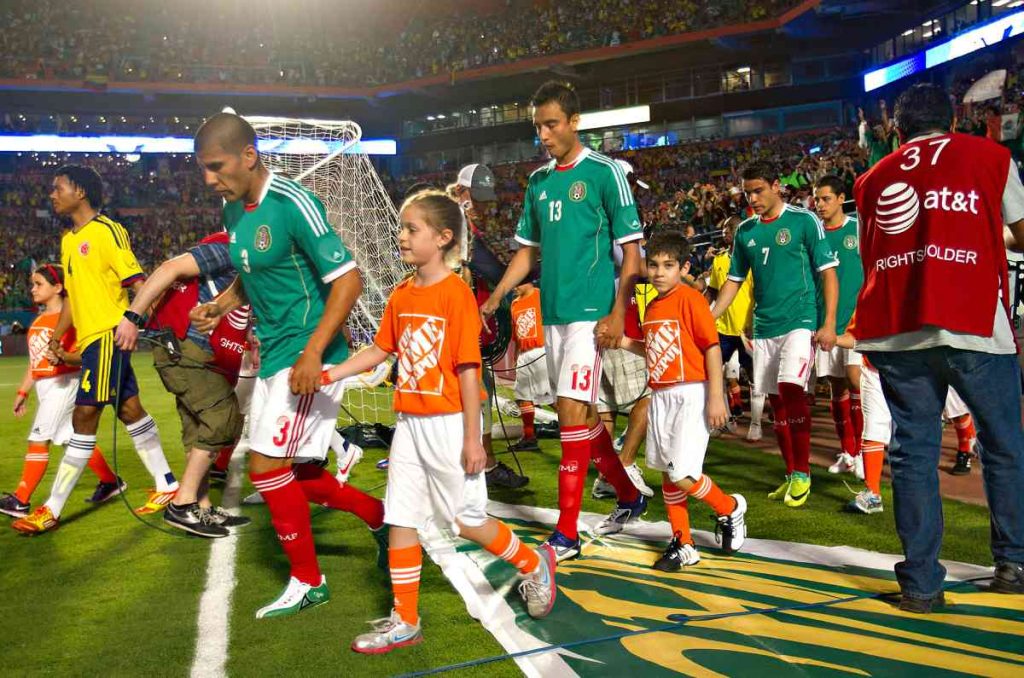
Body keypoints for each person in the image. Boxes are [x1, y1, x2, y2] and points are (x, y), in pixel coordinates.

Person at [322, 190, 556, 654]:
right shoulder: (402, 292)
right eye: (403, 227)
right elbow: (380, 350)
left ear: (444, 237)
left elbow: (469, 370)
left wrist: (475, 440)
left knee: (467, 522)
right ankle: (405, 619)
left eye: (413, 229)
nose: (402, 236)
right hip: (408, 423)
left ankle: (533, 564)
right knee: (402, 517)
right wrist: (332, 372)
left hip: (450, 425)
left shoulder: (456, 295)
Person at [189, 113, 385, 618]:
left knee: (265, 468)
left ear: (248, 156)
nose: (209, 179)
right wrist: (223, 303)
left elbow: (349, 281)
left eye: (216, 166)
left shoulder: (295, 203)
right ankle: (379, 516)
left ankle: (308, 580)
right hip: (275, 352)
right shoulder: (235, 211)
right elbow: (252, 272)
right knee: (291, 473)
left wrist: (314, 352)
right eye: (203, 169)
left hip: (306, 355)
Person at [852, 83, 1024, 610]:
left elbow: (875, 253)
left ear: (896, 130)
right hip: (974, 324)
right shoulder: (990, 156)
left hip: (901, 330)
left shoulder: (872, 178)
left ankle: (922, 585)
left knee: (914, 455)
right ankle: (1013, 563)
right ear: (954, 120)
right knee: (1004, 447)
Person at [481, 81, 647, 561]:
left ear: (575, 122)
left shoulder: (606, 173)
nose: (544, 134)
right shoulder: (538, 182)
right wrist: (496, 296)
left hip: (590, 317)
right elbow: (527, 252)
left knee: (572, 415)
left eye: (551, 124)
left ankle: (567, 534)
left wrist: (618, 312)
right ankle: (629, 495)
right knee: (581, 415)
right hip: (552, 314)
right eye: (538, 127)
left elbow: (632, 251)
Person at [13, 165, 179, 534]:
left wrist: (142, 322)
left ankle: (51, 508)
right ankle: (167, 483)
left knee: (84, 416)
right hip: (89, 339)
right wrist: (58, 335)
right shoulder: (69, 241)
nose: (52, 194)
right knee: (129, 409)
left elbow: (138, 281)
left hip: (108, 333)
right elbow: (72, 296)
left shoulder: (107, 231)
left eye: (58, 188)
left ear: (80, 192)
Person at [711, 161, 839, 509]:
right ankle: (790, 474)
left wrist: (827, 324)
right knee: (776, 403)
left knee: (790, 390)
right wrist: (709, 317)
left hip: (799, 320)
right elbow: (733, 283)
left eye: (758, 190)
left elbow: (828, 274)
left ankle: (803, 473)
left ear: (777, 185)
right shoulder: (746, 231)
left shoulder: (803, 221)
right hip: (764, 326)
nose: (752, 198)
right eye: (748, 192)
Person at [620, 232, 747, 570]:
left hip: (691, 392)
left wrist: (716, 397)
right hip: (661, 394)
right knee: (666, 471)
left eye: (669, 265)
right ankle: (684, 542)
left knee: (682, 474)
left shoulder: (690, 300)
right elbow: (652, 350)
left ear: (684, 267)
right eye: (654, 265)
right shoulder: (654, 305)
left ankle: (729, 508)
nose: (659, 272)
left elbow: (711, 347)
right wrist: (621, 340)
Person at [113, 231, 251, 537]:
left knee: (197, 425)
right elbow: (168, 269)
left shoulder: (242, 255)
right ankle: (182, 503)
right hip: (187, 344)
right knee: (222, 416)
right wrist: (131, 316)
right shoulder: (230, 248)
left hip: (185, 347)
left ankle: (200, 508)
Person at [0, 264, 125, 519]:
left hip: (64, 384)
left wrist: (65, 359)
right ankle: (111, 482)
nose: (33, 289)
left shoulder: (69, 320)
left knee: (39, 439)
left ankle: (21, 500)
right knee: (72, 438)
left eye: (39, 284)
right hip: (47, 386)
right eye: (33, 284)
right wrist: (23, 392)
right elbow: (35, 363)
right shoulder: (38, 321)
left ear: (57, 288)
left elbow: (86, 354)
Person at [812, 176, 866, 478]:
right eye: (816, 200)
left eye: (825, 199)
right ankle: (847, 452)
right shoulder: (814, 234)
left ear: (841, 198)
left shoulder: (857, 229)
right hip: (827, 322)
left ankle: (862, 451)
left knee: (857, 381)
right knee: (836, 387)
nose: (819, 205)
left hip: (856, 321)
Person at [705, 216, 765, 441]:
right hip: (722, 328)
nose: (723, 234)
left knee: (754, 376)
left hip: (747, 328)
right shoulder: (719, 260)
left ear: (737, 232)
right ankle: (725, 419)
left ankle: (756, 424)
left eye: (726, 230)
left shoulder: (752, 259)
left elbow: (759, 294)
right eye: (722, 230)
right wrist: (704, 315)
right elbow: (712, 291)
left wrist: (755, 322)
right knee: (714, 374)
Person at [508, 280, 552, 452]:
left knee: (553, 398)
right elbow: (516, 333)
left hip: (542, 351)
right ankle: (529, 437)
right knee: (522, 396)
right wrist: (515, 356)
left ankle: (578, 432)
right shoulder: (514, 303)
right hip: (524, 355)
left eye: (517, 282)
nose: (514, 286)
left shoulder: (540, 295)